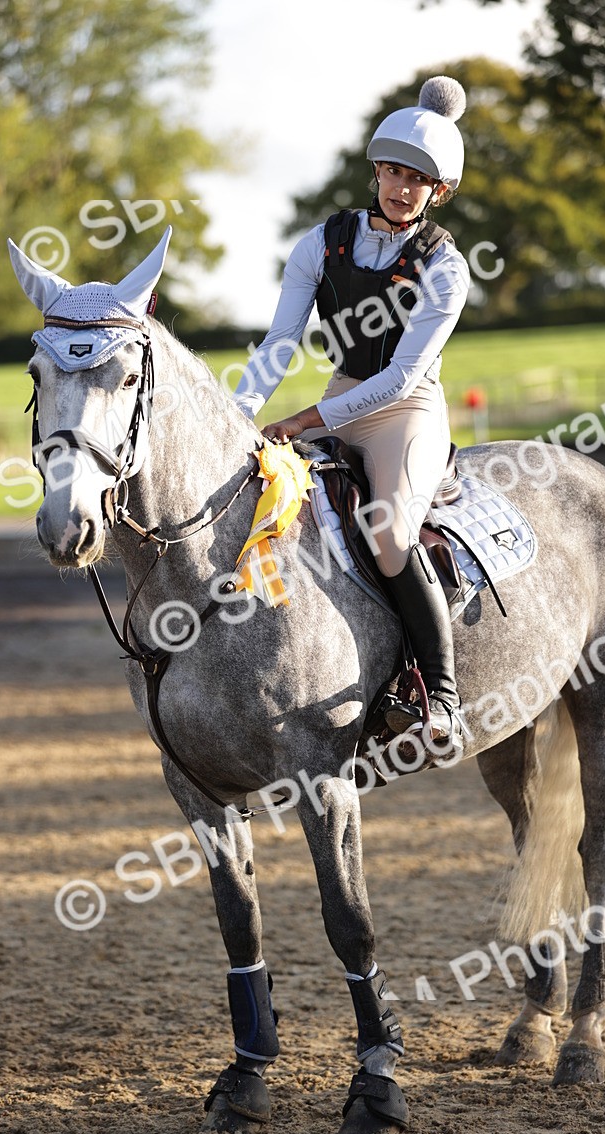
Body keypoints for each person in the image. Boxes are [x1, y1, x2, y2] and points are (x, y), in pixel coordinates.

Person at [234, 76, 470, 754]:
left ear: (438, 192)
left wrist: (309, 419)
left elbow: (401, 377)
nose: (401, 186)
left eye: (418, 180)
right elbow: (280, 344)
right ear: (376, 169)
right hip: (343, 392)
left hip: (406, 410)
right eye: (394, 170)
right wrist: (242, 411)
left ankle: (441, 692)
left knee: (392, 535)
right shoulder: (320, 243)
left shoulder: (446, 268)